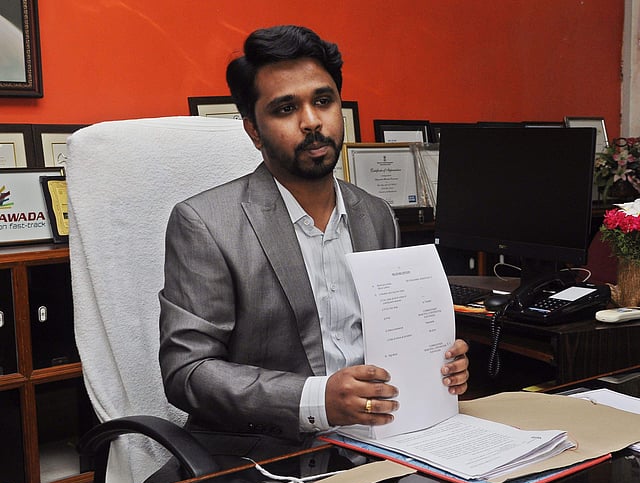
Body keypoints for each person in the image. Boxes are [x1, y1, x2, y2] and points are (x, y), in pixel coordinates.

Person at [159, 25, 469, 451]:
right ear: (254, 131)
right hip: (265, 455)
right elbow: (187, 372)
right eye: (286, 109)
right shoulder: (205, 224)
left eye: (323, 101)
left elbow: (395, 337)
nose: (311, 122)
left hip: (382, 440)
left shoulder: (376, 215)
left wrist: (437, 364)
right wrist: (317, 400)